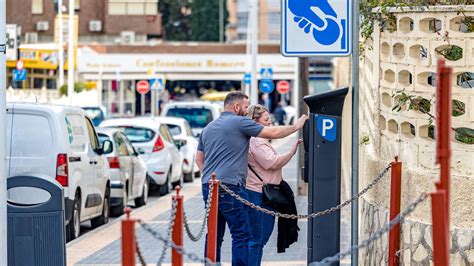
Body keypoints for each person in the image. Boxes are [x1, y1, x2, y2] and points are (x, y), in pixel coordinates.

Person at [196, 92, 308, 265]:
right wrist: (296, 126)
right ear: (236, 107)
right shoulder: (239, 122)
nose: (246, 109)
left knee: (214, 234)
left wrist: (212, 177)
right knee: (241, 235)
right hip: (230, 187)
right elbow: (273, 132)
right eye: (245, 106)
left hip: (209, 187)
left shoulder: (208, 128)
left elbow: (199, 160)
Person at [245, 104, 301, 265]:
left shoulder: (254, 139)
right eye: (266, 119)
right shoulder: (256, 141)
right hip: (260, 195)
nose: (270, 123)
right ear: (255, 122)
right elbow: (273, 163)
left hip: (256, 192)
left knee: (255, 238)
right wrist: (291, 151)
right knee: (258, 239)